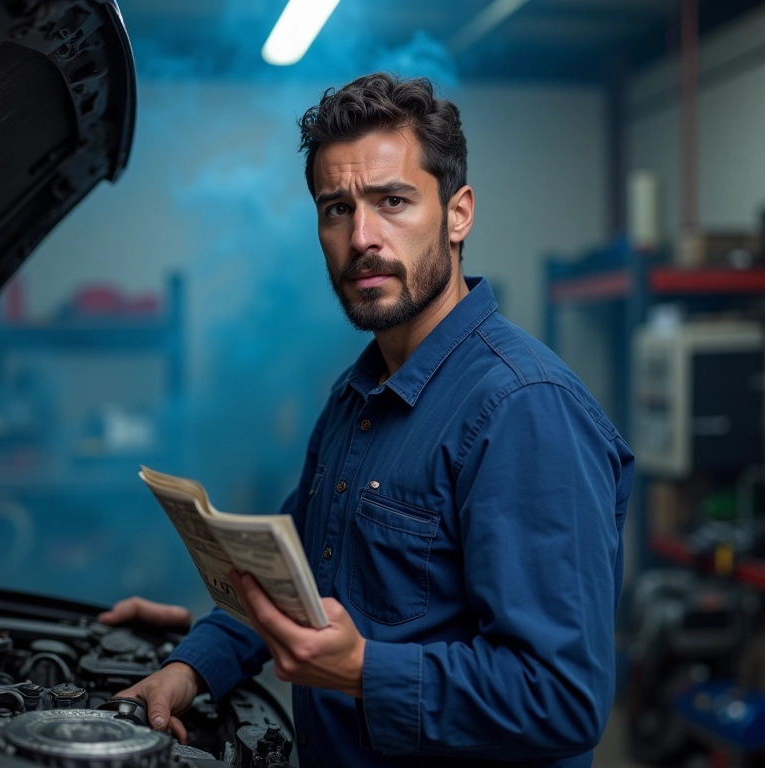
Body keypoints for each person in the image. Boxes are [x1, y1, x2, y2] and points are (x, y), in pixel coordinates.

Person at [118, 72, 634, 767]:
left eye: (392, 201)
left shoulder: (523, 408)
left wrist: (363, 670)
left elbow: (563, 698)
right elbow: (294, 573)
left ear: (458, 214)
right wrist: (194, 667)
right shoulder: (357, 394)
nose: (362, 236)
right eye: (337, 209)